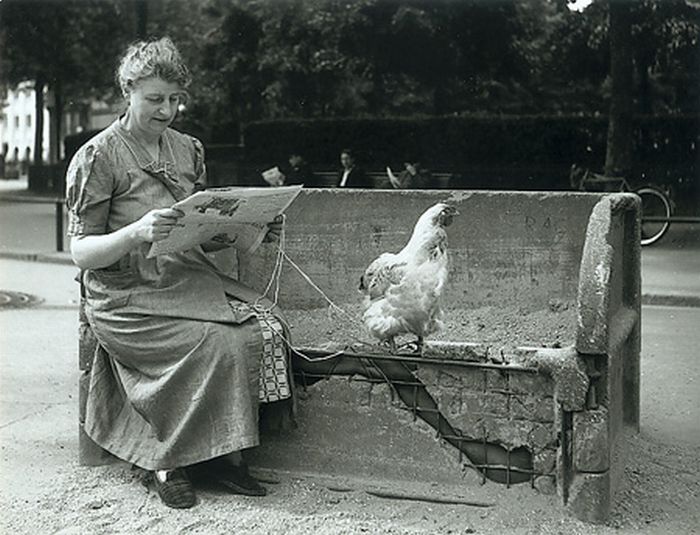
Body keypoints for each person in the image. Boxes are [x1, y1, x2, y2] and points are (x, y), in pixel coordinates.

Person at [66, 37, 293, 509]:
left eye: (174, 99)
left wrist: (241, 227)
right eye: (154, 99)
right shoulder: (99, 156)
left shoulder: (188, 149)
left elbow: (199, 228)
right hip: (124, 294)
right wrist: (135, 233)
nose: (167, 110)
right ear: (127, 91)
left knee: (261, 328)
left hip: (184, 280)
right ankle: (165, 462)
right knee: (213, 341)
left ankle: (222, 454)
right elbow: (82, 252)